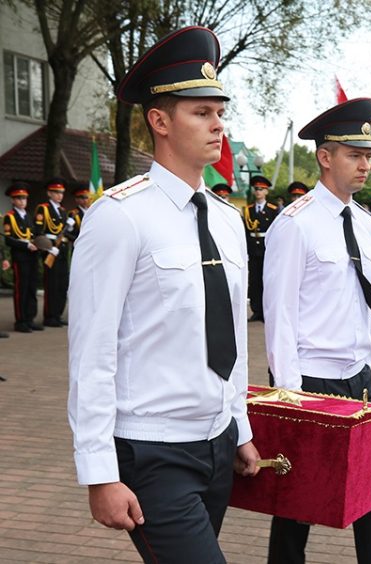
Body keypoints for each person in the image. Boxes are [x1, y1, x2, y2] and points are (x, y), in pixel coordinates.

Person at [67, 27, 260, 564]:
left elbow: (234, 336)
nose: (218, 124)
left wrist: (240, 428)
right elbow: (92, 352)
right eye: (201, 112)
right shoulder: (120, 216)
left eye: (220, 112)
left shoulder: (227, 220)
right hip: (152, 451)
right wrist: (99, 472)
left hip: (218, 442)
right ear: (160, 121)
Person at [263, 97, 371, 564]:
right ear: (325, 157)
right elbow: (278, 312)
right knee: (297, 501)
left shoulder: (364, 223)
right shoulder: (294, 224)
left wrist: (367, 363)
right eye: (354, 155)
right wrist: (288, 393)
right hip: (310, 381)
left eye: (368, 156)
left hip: (358, 379)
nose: (366, 165)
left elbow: (363, 303)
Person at [3, 182, 42, 333]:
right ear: (13, 200)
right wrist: (26, 245)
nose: (22, 201)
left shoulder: (28, 216)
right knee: (22, 289)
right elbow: (8, 239)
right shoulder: (10, 217)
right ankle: (21, 321)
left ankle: (30, 318)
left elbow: (34, 235)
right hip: (20, 257)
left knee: (32, 288)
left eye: (24, 198)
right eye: (18, 198)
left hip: (32, 256)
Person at [35, 177, 75, 327]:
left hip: (63, 249)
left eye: (61, 193)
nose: (60, 195)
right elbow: (38, 232)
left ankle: (57, 314)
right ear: (49, 193)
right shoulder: (43, 209)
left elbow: (63, 233)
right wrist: (49, 247)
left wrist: (72, 231)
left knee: (62, 284)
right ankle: (49, 316)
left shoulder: (62, 211)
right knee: (51, 283)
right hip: (51, 249)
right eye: (56, 192)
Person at [243, 174, 278, 321]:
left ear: (266, 192)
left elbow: (276, 232)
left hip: (266, 249)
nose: (258, 191)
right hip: (253, 249)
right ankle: (256, 310)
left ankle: (266, 311)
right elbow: (246, 231)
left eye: (261, 189)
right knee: (255, 281)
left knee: (267, 280)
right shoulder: (248, 210)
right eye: (256, 189)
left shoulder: (273, 210)